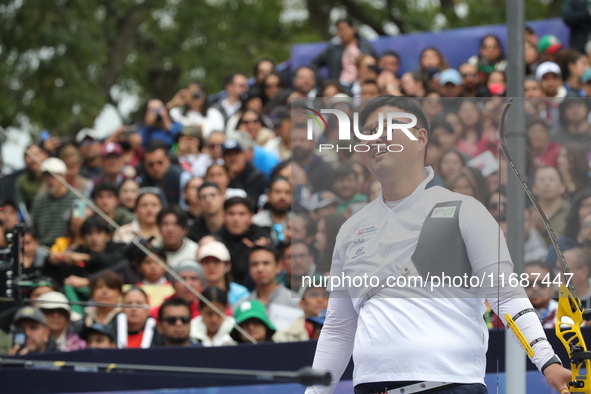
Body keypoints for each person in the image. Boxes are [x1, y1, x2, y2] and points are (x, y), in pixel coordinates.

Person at [306, 95, 571, 394]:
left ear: (420, 139)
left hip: (451, 385)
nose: (375, 138)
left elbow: (506, 295)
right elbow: (339, 327)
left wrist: (547, 360)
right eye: (367, 132)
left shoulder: (465, 210)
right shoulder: (350, 229)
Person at [214, 197, 271, 287]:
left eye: (242, 214)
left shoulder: (261, 235)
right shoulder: (216, 238)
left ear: (251, 216)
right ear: (223, 216)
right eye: (231, 214)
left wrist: (257, 250)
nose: (236, 219)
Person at [310, 18, 376, 86]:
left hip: (363, 84)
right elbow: (314, 64)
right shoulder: (332, 50)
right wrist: (323, 82)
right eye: (339, 30)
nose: (342, 33)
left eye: (344, 29)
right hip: (341, 86)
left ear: (353, 29)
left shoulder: (366, 46)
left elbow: (376, 64)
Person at [31, 158, 78, 247]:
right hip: (42, 249)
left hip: (67, 249)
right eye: (46, 176)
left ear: (64, 176)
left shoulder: (76, 200)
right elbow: (33, 230)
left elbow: (79, 234)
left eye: (53, 175)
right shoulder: (38, 201)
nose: (49, 180)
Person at [139, 140, 192, 208]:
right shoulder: (141, 182)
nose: (156, 168)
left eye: (160, 162)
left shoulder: (183, 178)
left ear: (168, 160)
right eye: (151, 164)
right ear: (145, 165)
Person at [196, 241, 249, 307]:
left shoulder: (240, 294)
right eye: (206, 262)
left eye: (216, 261)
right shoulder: (195, 293)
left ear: (227, 265)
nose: (211, 266)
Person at [531, 166, 570, 247]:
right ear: (534, 188)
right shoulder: (529, 213)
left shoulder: (570, 211)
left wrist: (545, 231)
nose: (547, 183)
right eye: (542, 179)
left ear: (562, 187)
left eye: (552, 179)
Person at [156, 204, 199, 269]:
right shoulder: (152, 250)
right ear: (159, 228)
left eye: (176, 224)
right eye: (165, 224)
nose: (170, 229)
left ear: (185, 230)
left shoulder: (195, 252)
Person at [252, 177, 292, 246]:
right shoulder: (256, 221)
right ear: (268, 195)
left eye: (287, 192)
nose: (282, 197)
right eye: (277, 192)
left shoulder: (297, 222)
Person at [14, 144, 48, 211]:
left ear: (46, 155)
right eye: (29, 156)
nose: (33, 159)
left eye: (36, 154)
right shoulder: (22, 181)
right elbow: (21, 207)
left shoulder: (56, 176)